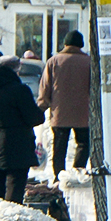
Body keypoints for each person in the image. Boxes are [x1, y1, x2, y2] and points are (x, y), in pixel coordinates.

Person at [0, 55, 44, 203]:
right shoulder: (20, 90)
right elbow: (34, 118)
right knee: (15, 186)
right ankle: (12, 218)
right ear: (15, 70)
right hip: (17, 145)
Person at [39, 30, 92, 177]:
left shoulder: (53, 61)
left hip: (59, 112)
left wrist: (42, 106)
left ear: (65, 43)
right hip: (83, 113)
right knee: (83, 143)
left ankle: (59, 176)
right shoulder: (88, 62)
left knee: (59, 146)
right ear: (80, 44)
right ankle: (77, 170)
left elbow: (45, 88)